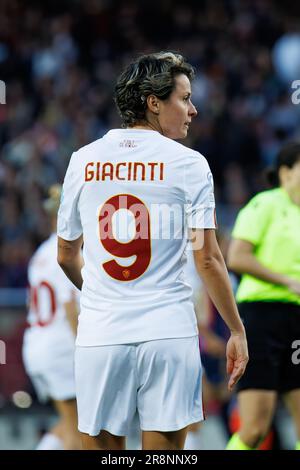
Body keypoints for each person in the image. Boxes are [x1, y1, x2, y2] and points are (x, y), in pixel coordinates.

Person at [57, 51, 248, 451]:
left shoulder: (83, 160)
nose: (193, 110)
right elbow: (208, 258)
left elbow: (65, 254)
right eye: (185, 98)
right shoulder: (189, 164)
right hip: (168, 332)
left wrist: (97, 293)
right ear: (154, 102)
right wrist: (235, 329)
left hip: (101, 333)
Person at [226, 142, 300, 450]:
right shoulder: (265, 204)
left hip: (297, 321)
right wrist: (288, 282)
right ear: (286, 172)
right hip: (262, 317)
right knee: (256, 427)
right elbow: (237, 257)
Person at [22, 185, 80, 450]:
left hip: (36, 345)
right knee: (79, 429)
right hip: (62, 348)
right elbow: (69, 306)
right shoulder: (67, 251)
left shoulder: (40, 253)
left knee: (68, 421)